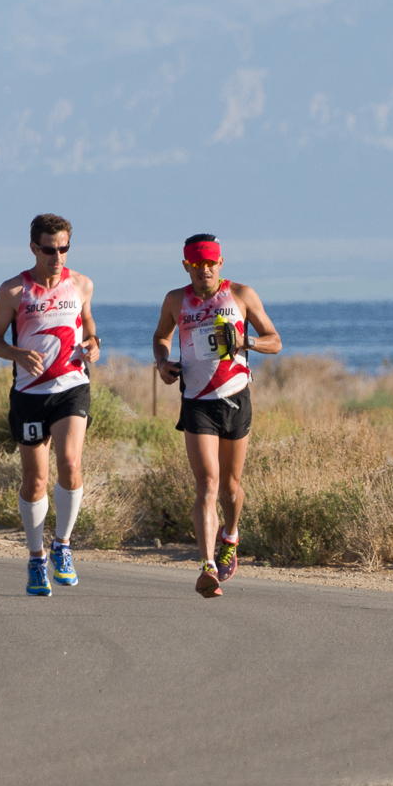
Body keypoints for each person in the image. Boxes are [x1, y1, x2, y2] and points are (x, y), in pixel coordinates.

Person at [152, 234, 282, 598]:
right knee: (207, 483)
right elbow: (161, 336)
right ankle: (208, 565)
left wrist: (247, 343)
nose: (204, 270)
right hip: (196, 402)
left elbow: (275, 340)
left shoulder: (241, 294)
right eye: (197, 265)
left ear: (220, 263)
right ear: (186, 266)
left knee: (230, 487)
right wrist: (162, 362)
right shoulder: (176, 300)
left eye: (211, 264)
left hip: (235, 398)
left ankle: (231, 534)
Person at [0, 213, 101, 597]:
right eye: (50, 249)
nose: (58, 257)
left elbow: (89, 326)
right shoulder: (14, 291)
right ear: (34, 247)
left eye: (64, 248)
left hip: (71, 387)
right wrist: (18, 353)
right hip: (30, 394)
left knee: (69, 464)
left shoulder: (81, 284)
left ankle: (63, 546)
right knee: (34, 479)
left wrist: (93, 346)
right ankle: (35, 558)